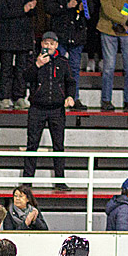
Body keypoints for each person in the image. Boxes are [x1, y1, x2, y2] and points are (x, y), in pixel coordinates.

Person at [23, 32, 75, 186]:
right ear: (41, 44)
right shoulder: (33, 59)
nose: (48, 46)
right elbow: (25, 77)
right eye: (46, 43)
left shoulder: (63, 62)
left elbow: (70, 82)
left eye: (52, 43)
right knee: (32, 144)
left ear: (56, 46)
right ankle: (27, 181)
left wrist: (70, 96)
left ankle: (60, 181)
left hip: (57, 110)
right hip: (37, 109)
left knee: (58, 145)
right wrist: (37, 65)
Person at [44, 0, 89, 109]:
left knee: (74, 68)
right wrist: (66, 6)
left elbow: (91, 11)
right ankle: (57, 96)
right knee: (57, 66)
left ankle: (73, 98)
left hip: (77, 33)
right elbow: (49, 7)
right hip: (60, 34)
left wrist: (84, 8)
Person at [0, 0, 36, 109]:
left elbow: (31, 12)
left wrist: (31, 7)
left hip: (22, 36)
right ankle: (5, 97)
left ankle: (19, 96)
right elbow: (3, 12)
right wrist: (23, 9)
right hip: (6, 35)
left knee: (21, 69)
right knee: (6, 68)